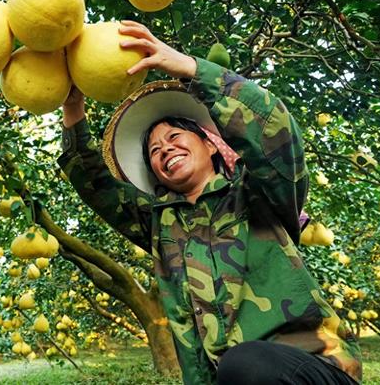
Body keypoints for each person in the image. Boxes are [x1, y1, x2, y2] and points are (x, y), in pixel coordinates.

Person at [59, 20, 361, 384]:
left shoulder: (259, 193)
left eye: (174, 136)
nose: (165, 148)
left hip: (310, 367)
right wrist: (73, 107)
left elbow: (274, 130)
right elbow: (98, 187)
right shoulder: (161, 224)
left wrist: (190, 67)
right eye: (154, 150)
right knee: (236, 368)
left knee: (245, 364)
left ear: (209, 143)